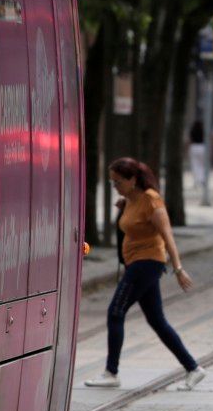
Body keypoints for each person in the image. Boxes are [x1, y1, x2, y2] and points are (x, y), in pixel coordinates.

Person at [84, 158, 206, 390]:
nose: (115, 187)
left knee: (115, 311)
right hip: (135, 263)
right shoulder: (130, 200)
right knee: (157, 321)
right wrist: (123, 209)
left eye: (118, 182)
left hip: (147, 263)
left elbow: (167, 235)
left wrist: (178, 268)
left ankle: (111, 372)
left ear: (133, 180)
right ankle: (193, 368)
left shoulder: (151, 200)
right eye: (112, 183)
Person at [187, 121, 207, 190]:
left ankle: (196, 181)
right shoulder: (204, 131)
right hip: (202, 147)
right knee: (202, 165)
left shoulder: (192, 131)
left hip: (194, 147)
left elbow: (189, 140)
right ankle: (202, 179)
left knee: (195, 165)